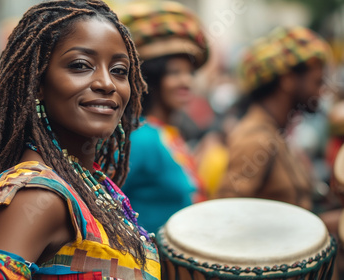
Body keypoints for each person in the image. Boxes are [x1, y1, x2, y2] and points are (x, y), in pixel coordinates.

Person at [0, 1, 160, 279]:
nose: (107, 83)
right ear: (37, 83)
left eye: (119, 70)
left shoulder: (91, 185)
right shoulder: (39, 195)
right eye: (81, 65)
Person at [215, 26, 331, 210]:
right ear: (288, 81)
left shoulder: (275, 132)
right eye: (317, 82)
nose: (321, 92)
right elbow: (225, 216)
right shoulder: (255, 139)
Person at [119, 1, 209, 233]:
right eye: (174, 73)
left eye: (189, 73)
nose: (186, 82)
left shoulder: (167, 133)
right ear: (151, 78)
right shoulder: (141, 138)